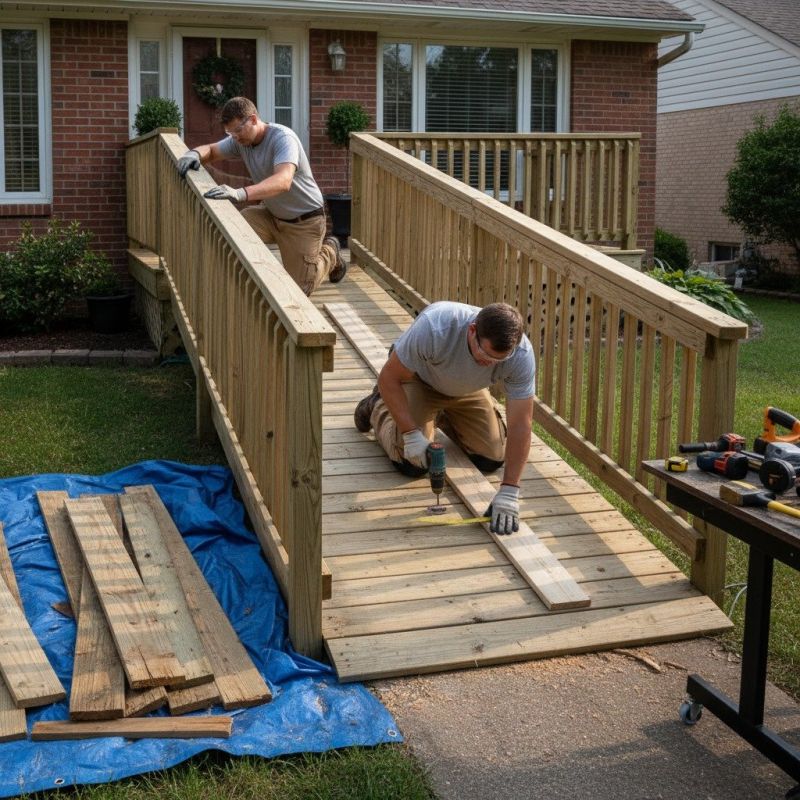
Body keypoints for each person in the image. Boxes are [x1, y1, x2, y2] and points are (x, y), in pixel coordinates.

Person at [354, 301, 535, 535]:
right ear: (472, 331)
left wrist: (510, 490)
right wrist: (410, 434)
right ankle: (378, 406)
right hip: (419, 379)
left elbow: (521, 424)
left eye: (497, 360)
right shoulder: (436, 328)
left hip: (467, 390)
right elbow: (389, 378)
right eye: (484, 354)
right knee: (412, 463)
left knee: (490, 459)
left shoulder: (520, 354)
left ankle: (440, 416)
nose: (489, 363)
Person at [176, 96, 346, 296]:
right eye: (230, 132)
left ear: (254, 119)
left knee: (300, 290)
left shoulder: (283, 138)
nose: (235, 137)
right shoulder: (241, 141)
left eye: (238, 130)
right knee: (229, 228)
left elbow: (283, 181)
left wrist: (240, 193)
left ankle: (331, 253)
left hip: (304, 221)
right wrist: (193, 154)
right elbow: (212, 150)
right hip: (271, 215)